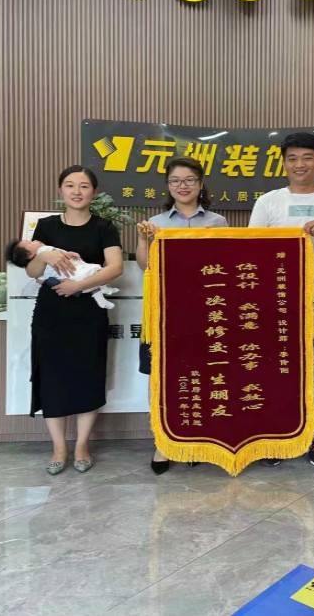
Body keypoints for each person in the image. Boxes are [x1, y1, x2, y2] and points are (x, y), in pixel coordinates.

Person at [248, 132, 314, 468]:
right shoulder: (268, 202)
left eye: (307, 157)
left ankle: (311, 437)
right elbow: (252, 250)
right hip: (276, 300)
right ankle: (275, 436)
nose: (300, 164)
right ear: (283, 164)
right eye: (292, 158)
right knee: (274, 370)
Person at [24, 165, 123, 475]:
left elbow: (116, 267)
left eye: (83, 186)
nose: (76, 191)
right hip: (51, 315)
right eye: (70, 185)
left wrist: (78, 285)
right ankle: (58, 448)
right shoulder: (45, 226)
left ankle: (82, 445)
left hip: (88, 314)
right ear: (60, 191)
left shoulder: (104, 226)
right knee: (52, 379)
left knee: (87, 377)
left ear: (94, 192)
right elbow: (31, 272)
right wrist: (43, 256)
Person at [136, 155, 228, 475]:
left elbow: (225, 265)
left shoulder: (218, 222)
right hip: (165, 312)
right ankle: (162, 443)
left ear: (200, 183)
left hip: (205, 312)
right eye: (175, 181)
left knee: (203, 375)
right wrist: (144, 239)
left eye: (189, 180)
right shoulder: (156, 222)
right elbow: (146, 266)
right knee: (162, 376)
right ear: (168, 186)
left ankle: (197, 439)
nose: (182, 186)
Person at [5, 239, 119, 309]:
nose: (34, 240)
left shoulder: (40, 264)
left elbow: (40, 279)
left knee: (93, 279)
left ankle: (101, 299)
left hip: (71, 282)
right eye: (30, 242)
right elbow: (33, 272)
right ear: (30, 255)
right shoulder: (42, 250)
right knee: (97, 271)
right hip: (75, 274)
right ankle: (104, 289)